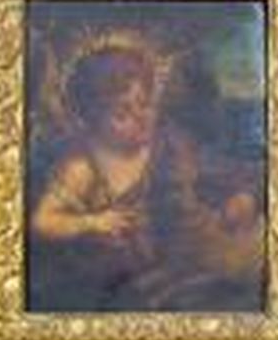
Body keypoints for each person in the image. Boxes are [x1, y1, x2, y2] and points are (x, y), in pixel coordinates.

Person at [30, 38, 264, 311]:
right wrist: (92, 222)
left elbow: (221, 173)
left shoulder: (169, 144)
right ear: (93, 118)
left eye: (144, 104)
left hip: (186, 262)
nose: (140, 118)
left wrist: (244, 196)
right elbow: (42, 222)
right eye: (122, 113)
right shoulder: (82, 167)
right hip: (124, 280)